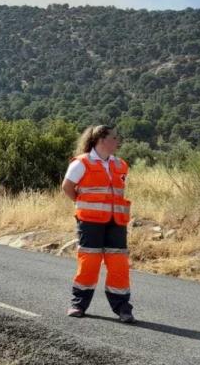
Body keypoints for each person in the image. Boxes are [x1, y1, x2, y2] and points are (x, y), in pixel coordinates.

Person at [61, 125, 134, 323]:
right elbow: (67, 187)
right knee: (89, 263)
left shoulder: (120, 165)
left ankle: (123, 309)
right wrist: (81, 202)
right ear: (101, 140)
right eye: (114, 138)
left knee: (119, 265)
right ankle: (78, 305)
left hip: (116, 221)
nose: (117, 142)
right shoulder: (81, 163)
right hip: (90, 222)